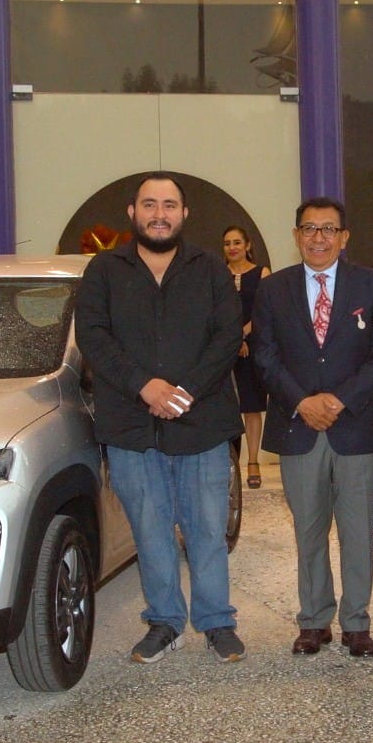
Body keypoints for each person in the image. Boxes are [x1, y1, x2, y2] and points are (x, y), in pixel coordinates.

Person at [75, 173, 247, 665]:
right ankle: (165, 622)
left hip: (202, 421)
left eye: (169, 205)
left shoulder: (210, 269)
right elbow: (93, 335)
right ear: (132, 213)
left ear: (184, 214)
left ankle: (217, 623)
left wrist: (184, 392)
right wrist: (144, 386)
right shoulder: (104, 270)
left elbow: (227, 336)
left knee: (207, 531)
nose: (159, 214)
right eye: (149, 205)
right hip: (132, 425)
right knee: (149, 532)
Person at [252, 197, 373, 658]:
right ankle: (314, 620)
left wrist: (338, 400)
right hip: (297, 427)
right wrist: (301, 401)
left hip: (355, 425)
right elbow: (264, 356)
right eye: (310, 229)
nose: (319, 238)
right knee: (309, 531)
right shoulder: (272, 289)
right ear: (297, 235)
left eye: (328, 229)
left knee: (357, 531)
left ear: (344, 236)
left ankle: (357, 622)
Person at [222, 225, 270, 489]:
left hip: (252, 346)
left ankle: (253, 462)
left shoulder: (262, 273)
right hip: (223, 349)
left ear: (248, 245)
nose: (232, 247)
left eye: (237, 242)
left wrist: (242, 335)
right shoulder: (217, 274)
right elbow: (214, 311)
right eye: (227, 243)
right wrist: (232, 338)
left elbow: (264, 311)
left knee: (252, 407)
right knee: (226, 407)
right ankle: (229, 464)